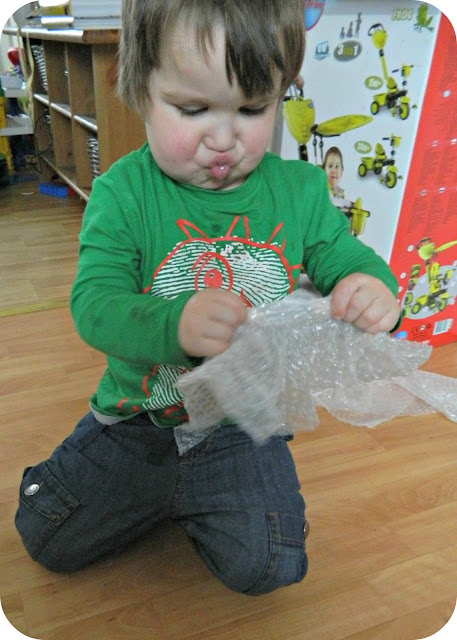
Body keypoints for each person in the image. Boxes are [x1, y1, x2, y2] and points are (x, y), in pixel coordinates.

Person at [15, 0, 400, 596]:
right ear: (139, 88)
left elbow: (343, 257)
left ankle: (195, 504)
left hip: (240, 426)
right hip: (137, 421)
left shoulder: (299, 189)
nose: (224, 139)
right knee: (43, 536)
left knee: (271, 569)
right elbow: (94, 306)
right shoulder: (123, 192)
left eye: (252, 108)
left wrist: (372, 287)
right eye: (192, 109)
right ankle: (147, 493)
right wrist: (175, 323)